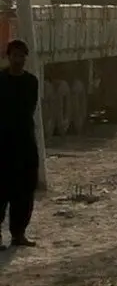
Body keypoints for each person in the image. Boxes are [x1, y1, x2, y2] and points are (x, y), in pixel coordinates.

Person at [0, 39, 40, 248]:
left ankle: (19, 234)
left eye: (22, 56)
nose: (18, 60)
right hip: (2, 144)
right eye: (15, 55)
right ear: (8, 57)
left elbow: (28, 109)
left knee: (24, 190)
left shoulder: (31, 82)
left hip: (24, 143)